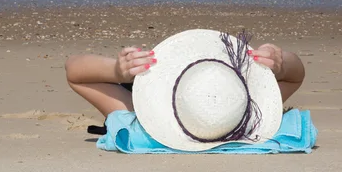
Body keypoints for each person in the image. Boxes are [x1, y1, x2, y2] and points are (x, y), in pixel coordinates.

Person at [65, 40, 306, 119]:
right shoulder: (250, 114)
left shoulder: (140, 119)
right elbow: (296, 76)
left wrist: (116, 72)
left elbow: (74, 72)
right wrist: (281, 65)